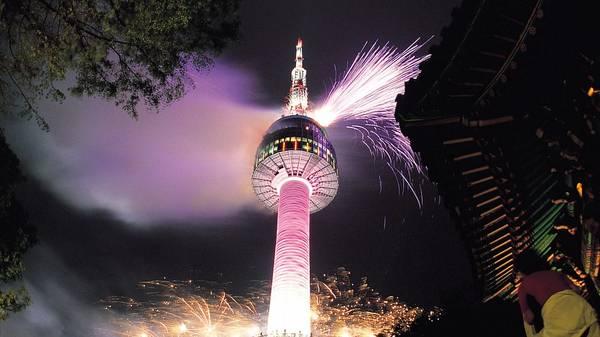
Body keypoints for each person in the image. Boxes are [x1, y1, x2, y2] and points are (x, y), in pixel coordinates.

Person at [516, 250, 600, 337]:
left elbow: (529, 318)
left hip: (561, 324)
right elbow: (576, 290)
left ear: (522, 270)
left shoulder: (523, 286)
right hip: (584, 313)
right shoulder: (556, 273)